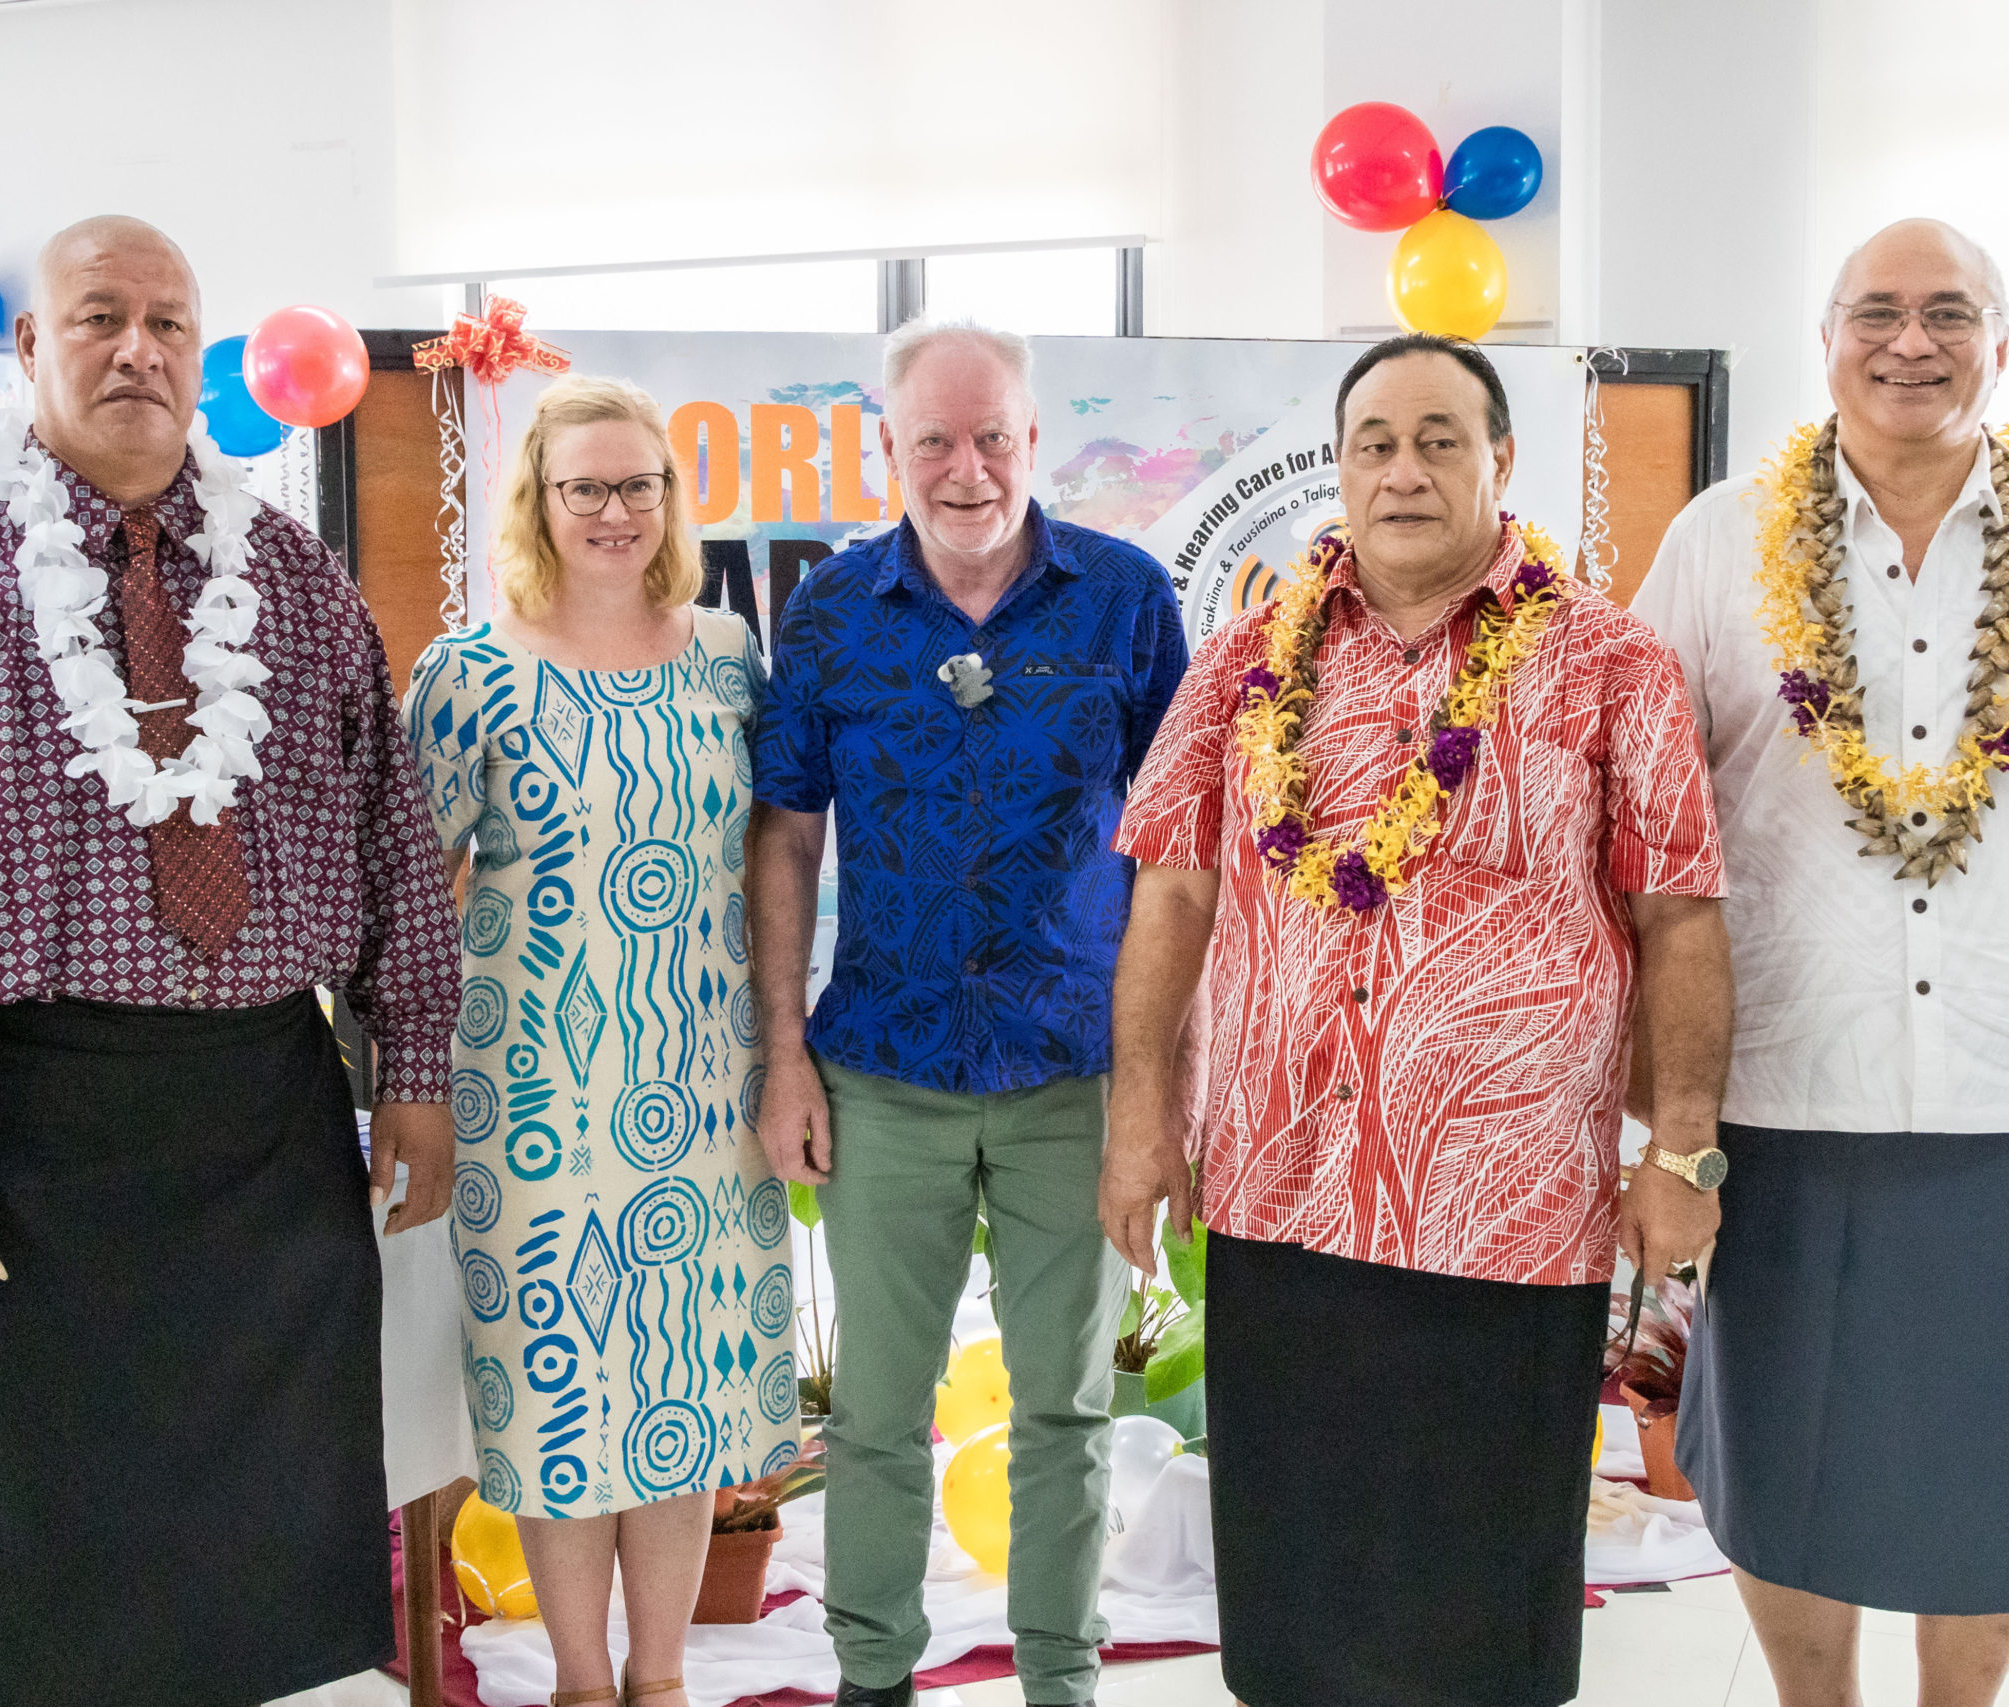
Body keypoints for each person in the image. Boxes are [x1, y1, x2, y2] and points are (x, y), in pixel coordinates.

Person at [0, 216, 459, 1707]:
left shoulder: (292, 580)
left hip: (262, 1120)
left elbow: (387, 841)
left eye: (169, 321)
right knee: (21, 1550)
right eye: (99, 315)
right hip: (22, 1132)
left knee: (261, 1543)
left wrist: (413, 1066)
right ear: (30, 346)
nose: (139, 348)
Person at [1629, 218, 2009, 1707]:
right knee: (1784, 1453)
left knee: (2002, 1467)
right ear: (1827, 339)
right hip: (1784, 1095)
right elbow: (1650, 829)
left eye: (1950, 314)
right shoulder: (1719, 542)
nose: (1913, 343)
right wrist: (1664, 1110)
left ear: (2004, 346)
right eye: (1879, 314)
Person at [1103, 332, 1733, 1707]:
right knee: (1296, 1587)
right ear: (1338, 467)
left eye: (1440, 438)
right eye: (1375, 442)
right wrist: (1139, 1116)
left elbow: (1683, 917)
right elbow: (1170, 899)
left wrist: (1682, 1150)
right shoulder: (1240, 665)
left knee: (1477, 1600)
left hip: (1509, 1211)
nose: (1405, 470)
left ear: (1501, 460)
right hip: (1280, 1191)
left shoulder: (1610, 664)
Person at [746, 317, 1189, 1707]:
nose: (966, 466)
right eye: (933, 438)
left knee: (1065, 1411)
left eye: (992, 434)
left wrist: (1158, 1084)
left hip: (1075, 1077)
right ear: (888, 448)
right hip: (883, 1071)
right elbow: (784, 839)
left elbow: (1182, 853)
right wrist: (785, 1054)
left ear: (1035, 441)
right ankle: (874, 1683)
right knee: (876, 1420)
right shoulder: (827, 614)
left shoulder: (1124, 598)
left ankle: (1061, 1684)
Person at [405, 373, 793, 1707]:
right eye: (587, 488)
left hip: (700, 1086)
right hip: (529, 1092)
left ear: (672, 501)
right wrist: (410, 1086)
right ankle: (581, 1682)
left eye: (640, 485)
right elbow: (412, 893)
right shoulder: (469, 676)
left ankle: (664, 1679)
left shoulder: (731, 659)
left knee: (678, 1394)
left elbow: (771, 862)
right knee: (560, 1404)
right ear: (541, 501)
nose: (615, 511)